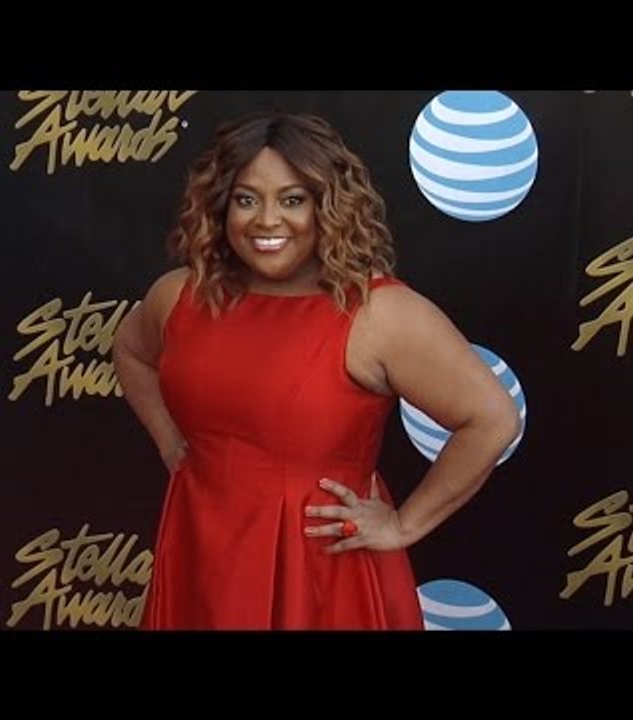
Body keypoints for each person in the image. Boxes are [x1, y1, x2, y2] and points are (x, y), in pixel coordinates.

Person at [113, 111, 520, 630]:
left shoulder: (378, 313)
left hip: (322, 572)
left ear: (327, 205)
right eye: (246, 199)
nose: (266, 220)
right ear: (219, 205)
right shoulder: (179, 296)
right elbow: (131, 351)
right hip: (202, 550)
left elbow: (491, 418)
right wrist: (171, 442)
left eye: (292, 199)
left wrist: (403, 525)